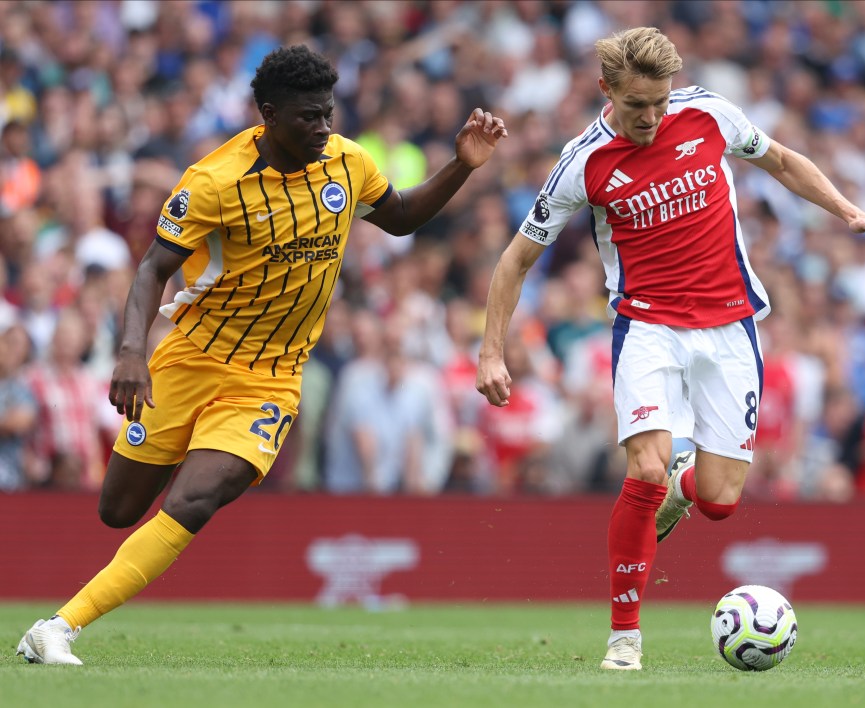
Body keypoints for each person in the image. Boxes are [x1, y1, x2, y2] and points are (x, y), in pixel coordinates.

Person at [17, 44, 507, 666]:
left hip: (270, 380)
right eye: (309, 117)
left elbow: (403, 217)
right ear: (269, 116)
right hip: (191, 359)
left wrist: (461, 166)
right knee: (118, 511)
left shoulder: (346, 163)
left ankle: (58, 627)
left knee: (194, 500)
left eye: (328, 113)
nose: (324, 128)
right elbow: (151, 270)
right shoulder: (213, 181)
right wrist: (131, 351)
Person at [475, 26, 865, 672]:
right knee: (644, 470)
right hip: (647, 328)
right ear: (606, 91)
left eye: (658, 102)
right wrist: (491, 352)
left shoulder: (708, 113)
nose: (650, 117)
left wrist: (851, 213)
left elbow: (783, 162)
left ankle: (684, 486)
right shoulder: (583, 162)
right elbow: (515, 261)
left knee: (720, 500)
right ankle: (625, 637)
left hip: (731, 326)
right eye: (635, 105)